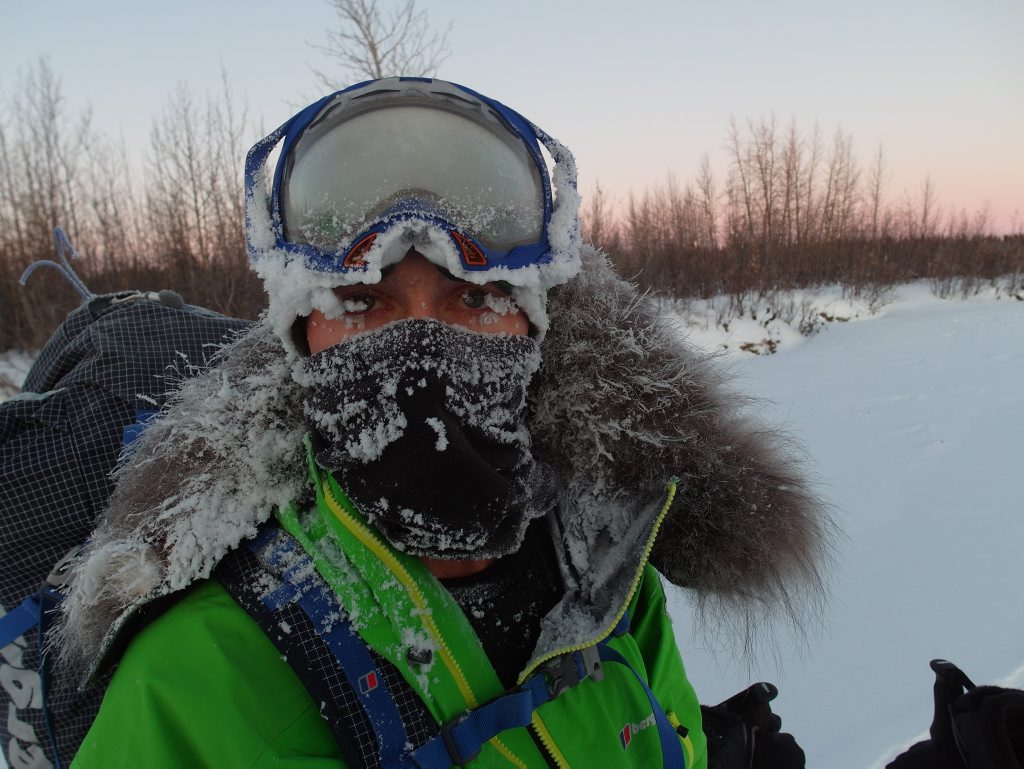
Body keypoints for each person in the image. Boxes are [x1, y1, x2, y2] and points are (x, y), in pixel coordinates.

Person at [57, 77, 834, 768]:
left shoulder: (604, 571)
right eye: (363, 303)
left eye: (474, 298)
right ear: (301, 340)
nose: (424, 349)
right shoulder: (194, 687)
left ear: (537, 330)